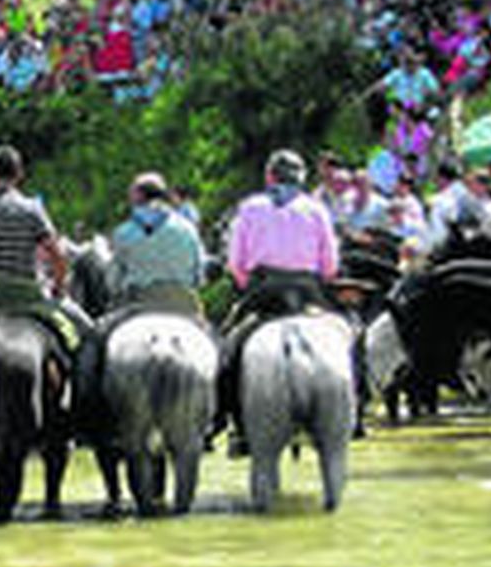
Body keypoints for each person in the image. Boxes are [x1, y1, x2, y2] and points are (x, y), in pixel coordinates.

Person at [220, 150, 341, 449]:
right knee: (349, 338)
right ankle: (354, 413)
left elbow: (235, 263)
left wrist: (245, 284)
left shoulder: (250, 208)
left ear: (269, 177)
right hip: (308, 291)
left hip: (263, 291)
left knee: (230, 348)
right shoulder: (317, 210)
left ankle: (236, 424)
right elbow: (330, 266)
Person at [0, 145, 84, 362]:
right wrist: (59, 287)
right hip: (28, 296)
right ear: (19, 174)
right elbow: (57, 256)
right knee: (87, 332)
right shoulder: (31, 210)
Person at [109, 172, 205, 316]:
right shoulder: (188, 229)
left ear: (138, 196)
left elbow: (113, 282)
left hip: (136, 307)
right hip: (184, 307)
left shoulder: (122, 233)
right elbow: (199, 276)